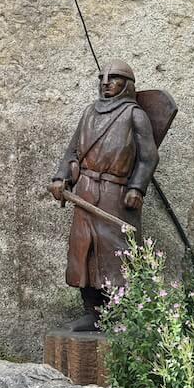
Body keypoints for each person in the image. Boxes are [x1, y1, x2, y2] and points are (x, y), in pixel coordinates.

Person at [49, 60, 158, 331]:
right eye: (103, 78)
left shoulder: (135, 115)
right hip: (85, 191)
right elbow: (73, 151)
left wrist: (136, 187)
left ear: (127, 85)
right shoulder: (89, 113)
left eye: (114, 78)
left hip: (115, 192)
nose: (106, 83)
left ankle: (119, 311)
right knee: (82, 250)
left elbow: (148, 157)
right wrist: (61, 179)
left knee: (116, 252)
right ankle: (92, 311)